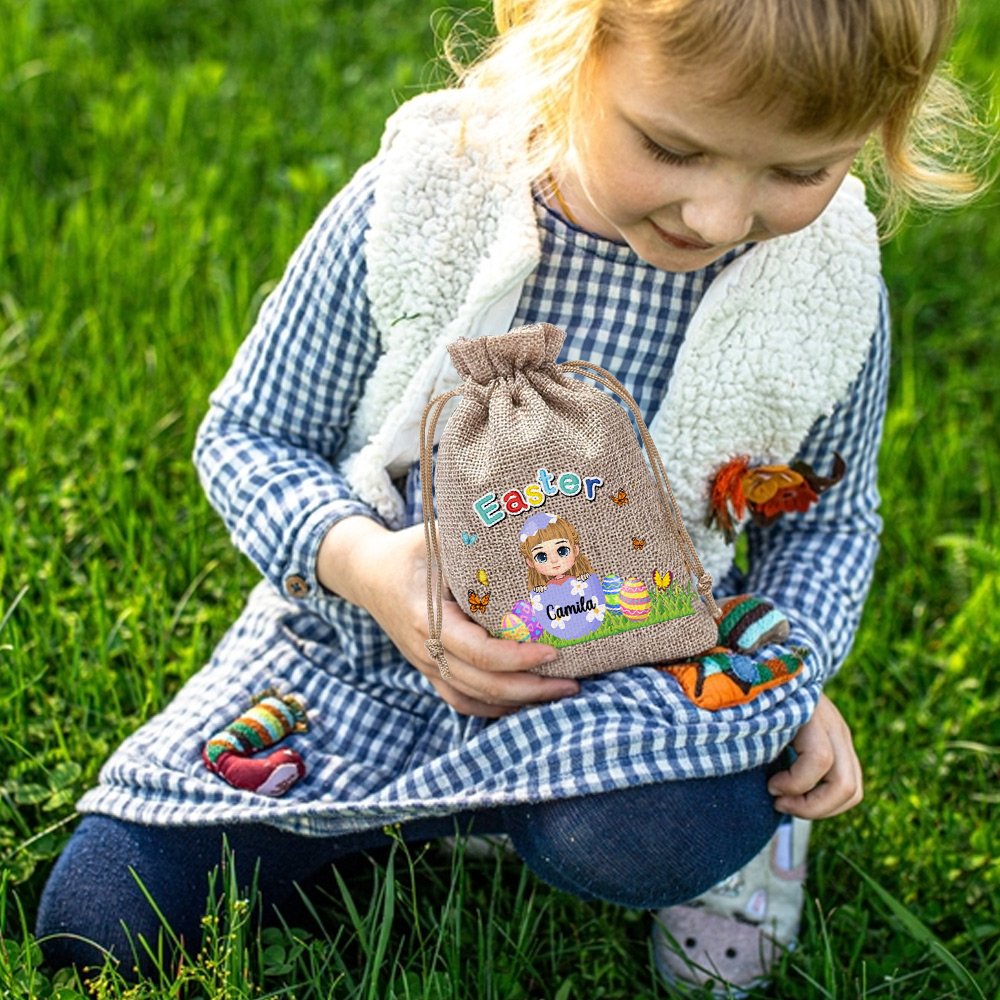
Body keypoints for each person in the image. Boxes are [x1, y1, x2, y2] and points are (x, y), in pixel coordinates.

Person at [36, 0, 985, 993]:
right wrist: (370, 567)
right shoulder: (426, 198)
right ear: (564, 42)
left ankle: (731, 827)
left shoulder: (822, 281)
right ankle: (414, 809)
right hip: (355, 655)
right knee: (98, 926)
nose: (715, 218)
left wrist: (782, 677)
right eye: (670, 147)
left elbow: (826, 521)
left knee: (660, 834)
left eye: (798, 171)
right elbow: (249, 435)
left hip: (637, 677)